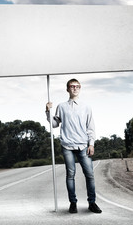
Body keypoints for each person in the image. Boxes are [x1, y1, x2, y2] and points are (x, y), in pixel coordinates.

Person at [45, 78, 102, 214]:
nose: (75, 88)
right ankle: (73, 203)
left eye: (77, 86)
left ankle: (92, 203)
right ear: (67, 89)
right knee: (70, 175)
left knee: (89, 175)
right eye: (72, 86)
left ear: (80, 88)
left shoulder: (86, 107)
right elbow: (54, 124)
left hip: (83, 145)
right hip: (67, 145)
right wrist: (48, 112)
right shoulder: (61, 106)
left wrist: (91, 144)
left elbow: (90, 127)